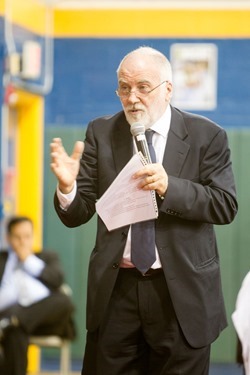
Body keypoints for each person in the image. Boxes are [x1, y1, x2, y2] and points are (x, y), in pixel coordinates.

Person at [50, 46, 238, 375]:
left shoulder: (207, 135)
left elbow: (225, 204)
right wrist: (68, 188)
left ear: (168, 89)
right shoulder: (101, 132)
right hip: (116, 291)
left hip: (181, 292)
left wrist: (171, 186)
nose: (132, 97)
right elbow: (78, 212)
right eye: (124, 87)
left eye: (142, 87)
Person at [0, 215, 76, 375]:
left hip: (45, 319)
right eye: (17, 237)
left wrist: (27, 260)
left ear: (33, 236)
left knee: (63, 301)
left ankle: (12, 321)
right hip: (12, 316)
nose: (22, 242)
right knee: (16, 330)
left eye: (27, 236)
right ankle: (13, 322)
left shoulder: (47, 257)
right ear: (8, 238)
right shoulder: (3, 260)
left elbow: (57, 280)